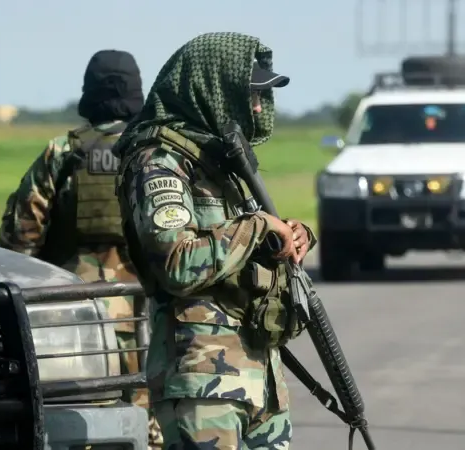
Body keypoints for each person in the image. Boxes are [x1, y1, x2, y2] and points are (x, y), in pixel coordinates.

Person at [111, 32, 317, 449]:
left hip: (260, 377)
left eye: (262, 97)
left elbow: (240, 244)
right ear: (214, 88)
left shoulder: (219, 163)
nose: (257, 107)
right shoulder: (159, 162)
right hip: (203, 380)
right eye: (251, 94)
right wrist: (257, 227)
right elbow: (178, 263)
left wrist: (292, 235)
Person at [0, 49, 163, 449]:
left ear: (90, 92)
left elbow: (20, 236)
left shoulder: (64, 151)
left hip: (76, 310)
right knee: (151, 411)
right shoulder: (159, 149)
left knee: (81, 413)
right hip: (151, 307)